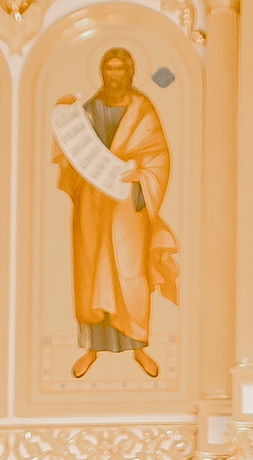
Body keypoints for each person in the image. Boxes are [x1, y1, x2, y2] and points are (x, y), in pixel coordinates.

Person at [53, 42, 178, 378]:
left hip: (128, 204)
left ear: (130, 72)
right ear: (101, 72)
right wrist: (64, 118)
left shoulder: (142, 110)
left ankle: (138, 346)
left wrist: (142, 176)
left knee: (129, 271)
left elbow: (159, 157)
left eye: (120, 68)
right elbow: (73, 150)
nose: (114, 75)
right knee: (92, 271)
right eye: (109, 68)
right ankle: (92, 348)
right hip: (92, 203)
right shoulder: (89, 110)